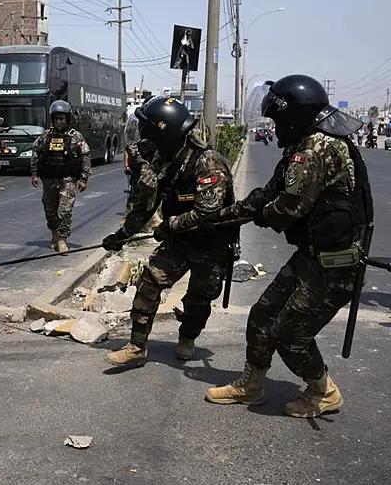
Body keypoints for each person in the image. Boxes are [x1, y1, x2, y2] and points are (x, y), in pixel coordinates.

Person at [203, 74, 372, 418]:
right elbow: (268, 195)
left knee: (290, 334)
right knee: (262, 314)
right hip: (313, 257)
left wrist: (262, 214)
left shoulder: (316, 147)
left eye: (278, 118)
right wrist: (222, 215)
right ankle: (251, 386)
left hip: (335, 266)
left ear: (293, 115)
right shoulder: (306, 143)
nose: (276, 126)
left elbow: (287, 208)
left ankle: (323, 391)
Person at [101, 96, 235, 364]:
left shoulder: (208, 163)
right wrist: (121, 236)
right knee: (150, 281)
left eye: (148, 132)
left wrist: (169, 225)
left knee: (198, 300)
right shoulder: (162, 161)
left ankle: (188, 337)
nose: (143, 138)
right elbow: (144, 206)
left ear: (165, 132)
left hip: (211, 244)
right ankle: (137, 346)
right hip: (179, 242)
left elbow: (205, 213)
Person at [30, 100, 92, 254]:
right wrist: (34, 173)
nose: (59, 122)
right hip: (49, 180)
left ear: (68, 119)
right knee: (50, 211)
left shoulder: (76, 137)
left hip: (68, 180)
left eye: (62, 119)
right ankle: (54, 234)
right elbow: (35, 152)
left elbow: (85, 156)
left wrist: (83, 179)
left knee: (64, 211)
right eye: (56, 119)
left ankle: (62, 239)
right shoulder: (46, 136)